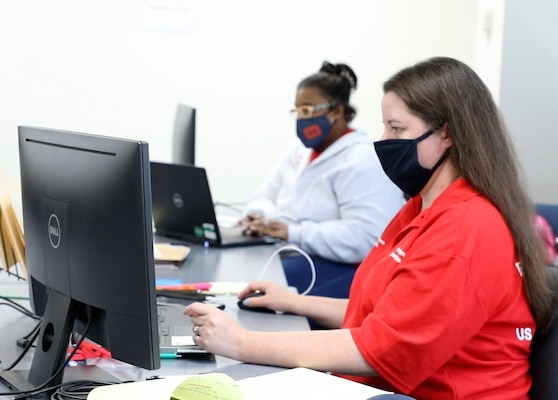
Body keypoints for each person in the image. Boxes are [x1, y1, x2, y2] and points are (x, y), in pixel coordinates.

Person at [185, 57, 556, 399]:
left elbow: (381, 348)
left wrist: (242, 342)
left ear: (447, 134)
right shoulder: (422, 206)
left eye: (397, 127)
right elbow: (391, 313)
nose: (383, 140)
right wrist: (294, 302)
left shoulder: (465, 228)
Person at [238, 61, 404, 299]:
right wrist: (259, 217)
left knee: (259, 295)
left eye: (308, 111)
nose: (301, 119)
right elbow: (264, 196)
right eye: (298, 111)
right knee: (247, 278)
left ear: (336, 111)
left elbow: (368, 237)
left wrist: (293, 232)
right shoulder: (298, 150)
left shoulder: (362, 158)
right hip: (291, 251)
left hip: (342, 269)